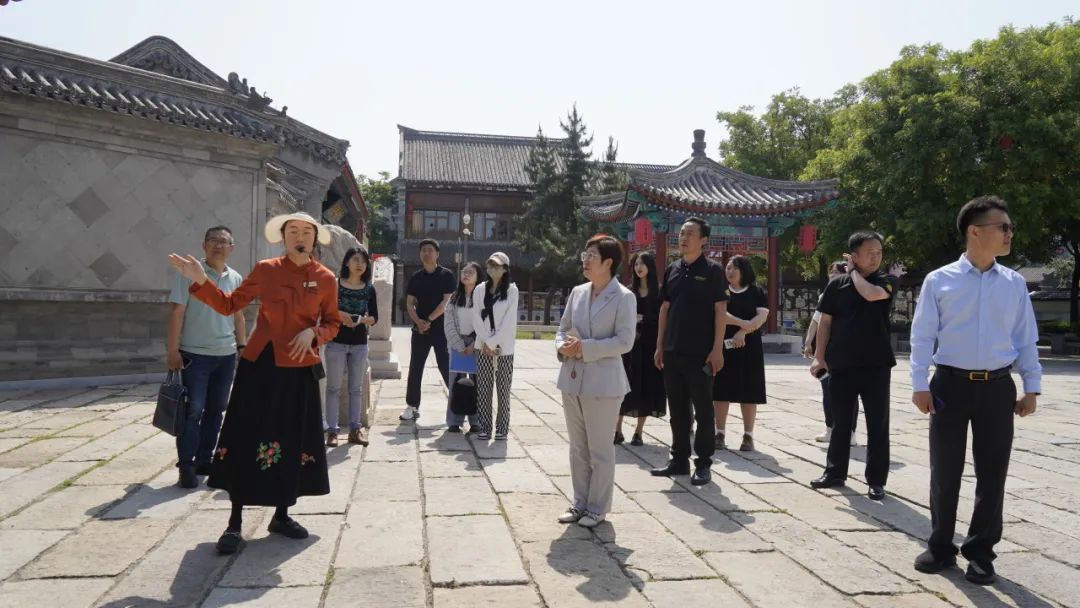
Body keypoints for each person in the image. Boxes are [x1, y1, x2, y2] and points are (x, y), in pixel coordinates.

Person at [167, 211, 339, 555]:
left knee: (292, 440)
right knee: (246, 438)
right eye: (293, 231)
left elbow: (333, 323)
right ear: (283, 237)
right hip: (260, 366)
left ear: (314, 238)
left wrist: (314, 333)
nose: (300, 236)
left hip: (299, 371)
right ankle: (234, 522)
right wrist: (200, 280)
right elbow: (229, 304)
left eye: (306, 232)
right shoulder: (265, 270)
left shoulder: (325, 278)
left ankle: (282, 515)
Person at [909, 196, 1041, 586]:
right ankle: (940, 546)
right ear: (975, 231)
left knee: (993, 472)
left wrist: (1031, 387)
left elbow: (1026, 338)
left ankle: (981, 552)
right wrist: (919, 384)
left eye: (1010, 227)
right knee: (944, 470)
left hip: (997, 387)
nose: (1009, 233)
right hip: (949, 385)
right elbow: (922, 336)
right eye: (1003, 227)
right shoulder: (939, 280)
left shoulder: (1014, 283)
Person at [809, 230, 897, 501]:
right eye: (869, 253)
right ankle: (834, 472)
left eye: (878, 252)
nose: (875, 257)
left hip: (875, 364)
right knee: (840, 421)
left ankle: (876, 480)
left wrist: (853, 273)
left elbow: (870, 295)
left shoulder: (886, 281)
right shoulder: (836, 286)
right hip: (842, 363)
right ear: (855, 255)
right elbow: (825, 322)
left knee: (877, 423)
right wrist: (819, 356)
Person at [556, 235, 636, 527]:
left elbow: (625, 341)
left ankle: (597, 508)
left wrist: (585, 348)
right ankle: (579, 502)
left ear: (608, 262)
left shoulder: (624, 297)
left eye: (592, 255)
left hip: (603, 383)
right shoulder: (577, 292)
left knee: (600, 449)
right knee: (577, 447)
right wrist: (562, 346)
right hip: (572, 378)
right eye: (585, 254)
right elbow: (562, 329)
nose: (586, 260)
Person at [167, 226, 246, 489]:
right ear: (204, 245)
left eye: (224, 242)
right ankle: (186, 466)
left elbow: (238, 315)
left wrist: (242, 346)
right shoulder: (188, 273)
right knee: (192, 411)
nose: (218, 246)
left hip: (226, 356)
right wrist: (173, 350)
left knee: (216, 410)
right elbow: (177, 312)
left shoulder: (236, 277)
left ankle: (205, 459)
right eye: (213, 240)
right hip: (195, 356)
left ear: (232, 248)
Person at [650, 217, 728, 486]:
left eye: (690, 233)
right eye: (682, 232)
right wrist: (660, 346)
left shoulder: (713, 271)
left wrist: (717, 349)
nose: (683, 237)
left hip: (701, 353)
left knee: (704, 410)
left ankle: (703, 463)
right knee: (678, 409)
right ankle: (679, 459)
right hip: (673, 351)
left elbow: (720, 310)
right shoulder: (672, 269)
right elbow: (664, 308)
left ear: (703, 240)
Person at [712, 255, 770, 452]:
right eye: (728, 268)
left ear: (744, 270)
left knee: (749, 391)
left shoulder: (756, 292)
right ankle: (719, 433)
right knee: (720, 390)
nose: (730, 271)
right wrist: (742, 323)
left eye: (734, 268)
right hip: (723, 344)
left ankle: (748, 436)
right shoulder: (721, 290)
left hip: (749, 346)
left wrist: (743, 332)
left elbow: (762, 316)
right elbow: (721, 314)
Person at [324, 246, 377, 447]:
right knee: (333, 388)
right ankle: (332, 431)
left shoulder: (369, 289)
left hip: (359, 344)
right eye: (355, 259)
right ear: (346, 262)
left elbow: (375, 318)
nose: (359, 264)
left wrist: (361, 320)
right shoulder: (335, 285)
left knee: (356, 388)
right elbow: (326, 310)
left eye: (363, 261)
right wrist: (340, 315)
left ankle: (355, 430)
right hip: (336, 342)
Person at [803, 261, 858, 446]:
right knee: (828, 389)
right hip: (827, 349)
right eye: (831, 272)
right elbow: (816, 321)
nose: (833, 275)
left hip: (847, 349)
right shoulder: (825, 295)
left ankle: (850, 432)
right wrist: (808, 342)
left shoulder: (856, 292)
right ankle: (830, 427)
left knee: (849, 392)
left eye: (837, 272)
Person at [402, 239, 457, 421]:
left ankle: (459, 403)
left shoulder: (446, 275)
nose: (427, 253)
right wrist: (418, 321)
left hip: (441, 329)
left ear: (437, 254)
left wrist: (429, 319)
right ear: (420, 254)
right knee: (415, 367)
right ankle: (412, 406)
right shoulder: (416, 277)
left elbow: (446, 302)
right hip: (420, 330)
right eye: (423, 250)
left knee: (446, 366)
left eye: (430, 250)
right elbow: (410, 303)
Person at [616, 251, 666, 446]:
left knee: (646, 386)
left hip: (650, 346)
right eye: (636, 264)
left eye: (642, 263)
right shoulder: (628, 292)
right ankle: (617, 429)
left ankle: (638, 432)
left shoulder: (659, 293)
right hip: (629, 347)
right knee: (624, 386)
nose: (639, 267)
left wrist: (645, 320)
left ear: (650, 267)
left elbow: (663, 319)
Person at [470, 252, 519, 440]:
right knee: (484, 388)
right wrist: (486, 342)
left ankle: (502, 428)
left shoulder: (512, 291)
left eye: (496, 265)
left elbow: (509, 321)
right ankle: (485, 426)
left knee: (503, 389)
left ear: (505, 269)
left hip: (504, 347)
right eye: (490, 265)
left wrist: (493, 342)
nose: (492, 268)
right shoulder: (479, 289)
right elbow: (476, 317)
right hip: (482, 346)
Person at [444, 262, 483, 433]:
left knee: (478, 383)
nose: (466, 275)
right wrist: (459, 345)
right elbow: (448, 323)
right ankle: (454, 421)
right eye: (464, 272)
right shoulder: (454, 298)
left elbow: (486, 324)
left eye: (470, 272)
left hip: (477, 344)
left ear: (478, 277)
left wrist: (475, 344)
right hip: (457, 344)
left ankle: (476, 421)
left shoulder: (483, 298)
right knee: (455, 383)